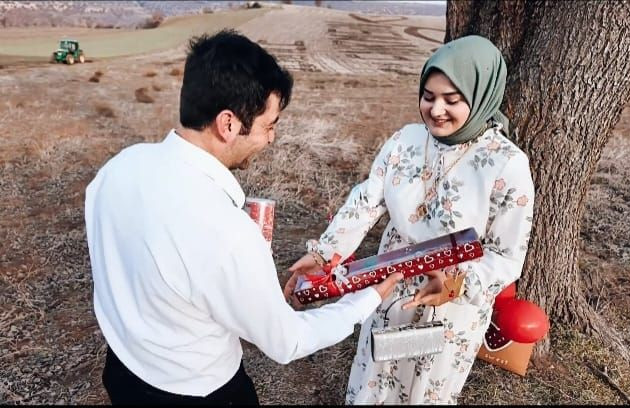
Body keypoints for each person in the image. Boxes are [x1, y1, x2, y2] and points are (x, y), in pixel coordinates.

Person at [84, 29, 402, 406]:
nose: (270, 139)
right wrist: (365, 300)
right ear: (229, 124)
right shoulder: (226, 231)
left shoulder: (117, 168)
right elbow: (287, 341)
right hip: (198, 392)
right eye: (269, 125)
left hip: (122, 370)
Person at [284, 35, 535, 404]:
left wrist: (455, 284)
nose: (436, 110)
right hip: (389, 283)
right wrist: (323, 253)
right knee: (376, 379)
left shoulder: (506, 163)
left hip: (450, 302)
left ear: (481, 96)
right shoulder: (406, 140)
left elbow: (507, 255)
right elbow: (367, 200)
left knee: (424, 391)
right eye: (428, 96)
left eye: (452, 100)